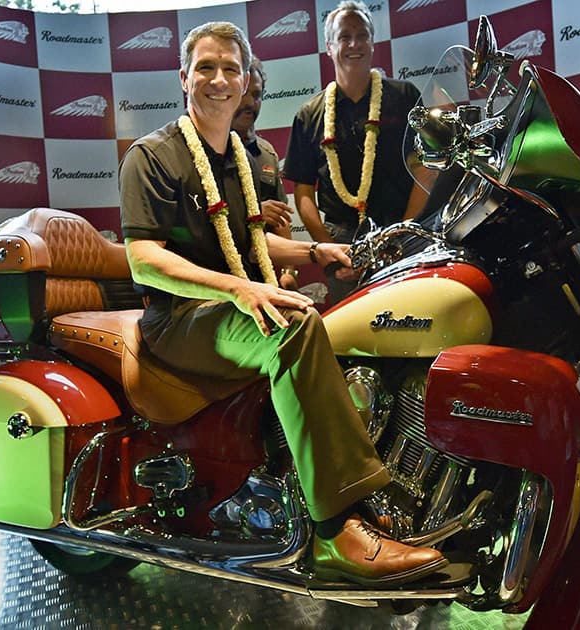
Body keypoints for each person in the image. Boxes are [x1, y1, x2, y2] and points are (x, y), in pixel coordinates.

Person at [119, 21, 446, 587]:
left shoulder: (242, 158)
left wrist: (319, 249)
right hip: (178, 318)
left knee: (333, 325)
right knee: (293, 329)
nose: (219, 79)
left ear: (246, 81)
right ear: (183, 77)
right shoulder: (154, 157)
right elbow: (145, 259)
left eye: (231, 69)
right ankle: (335, 530)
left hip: (229, 308)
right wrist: (239, 287)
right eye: (206, 67)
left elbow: (250, 239)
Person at [282, 0, 428, 301]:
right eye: (344, 36)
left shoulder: (405, 97)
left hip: (402, 231)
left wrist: (404, 234)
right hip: (342, 244)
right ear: (329, 46)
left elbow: (424, 169)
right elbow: (304, 193)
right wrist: (329, 252)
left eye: (362, 35)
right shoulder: (309, 114)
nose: (354, 44)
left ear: (373, 43)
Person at [231, 56, 298, 290]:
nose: (250, 102)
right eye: (243, 94)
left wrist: (289, 271)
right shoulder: (209, 151)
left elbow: (281, 218)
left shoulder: (267, 153)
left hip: (264, 277)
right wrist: (256, 213)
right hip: (223, 277)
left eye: (257, 95)